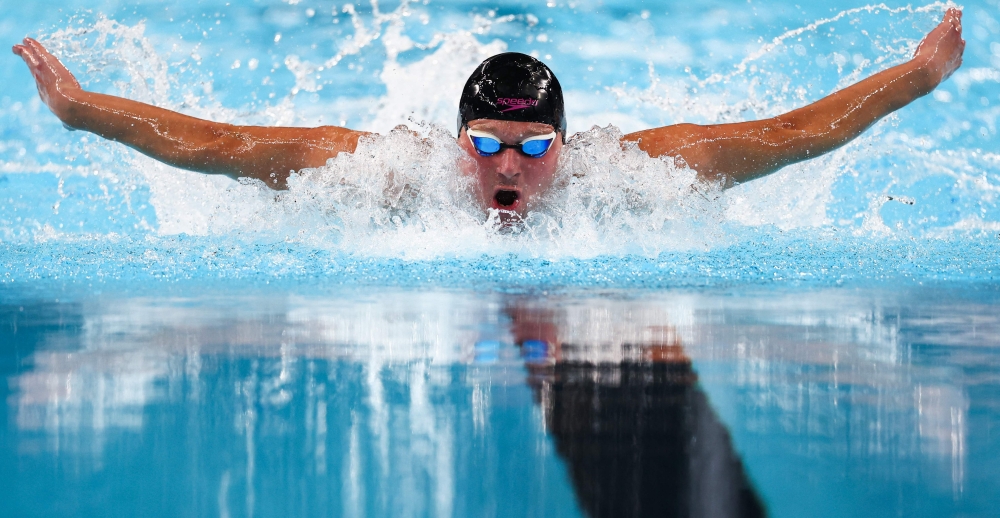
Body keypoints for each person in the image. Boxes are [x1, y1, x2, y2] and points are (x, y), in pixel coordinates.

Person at [12, 9, 964, 220]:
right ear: (458, 137)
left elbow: (795, 134)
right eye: (490, 144)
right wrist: (82, 111)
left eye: (535, 144)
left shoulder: (630, 175)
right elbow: (219, 146)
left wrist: (919, 77)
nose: (511, 166)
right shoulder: (385, 175)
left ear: (566, 139)